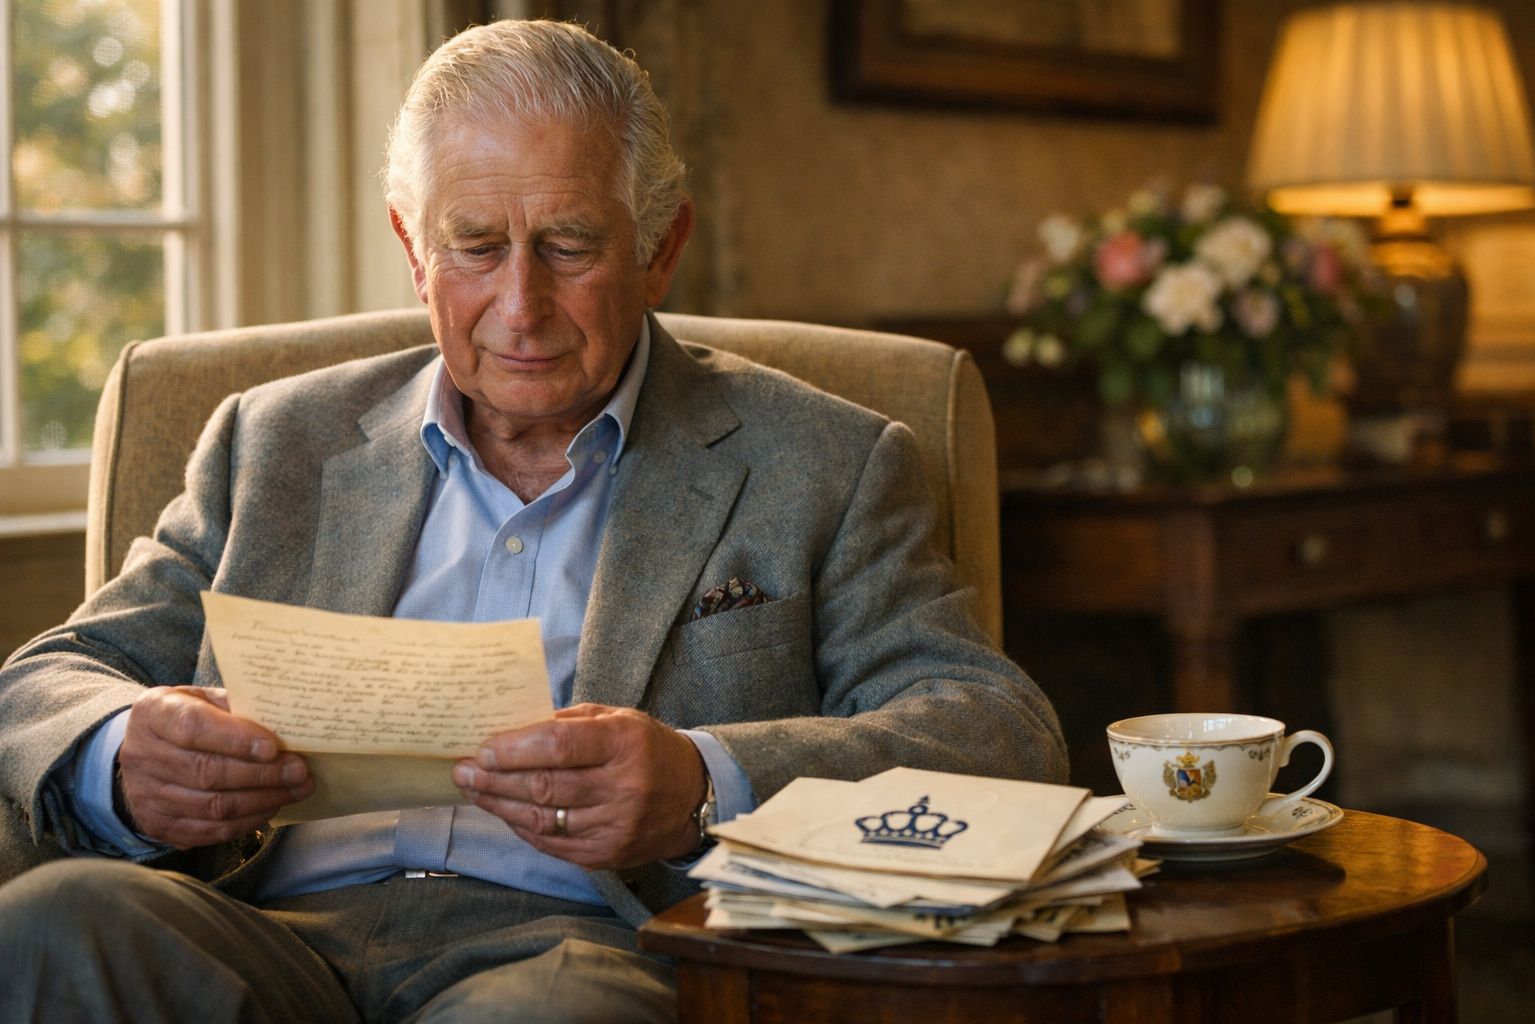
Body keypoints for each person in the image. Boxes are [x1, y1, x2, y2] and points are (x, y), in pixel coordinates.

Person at [0, 18, 1066, 1023]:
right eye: (473, 245)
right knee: (54, 927)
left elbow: (997, 733)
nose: (520, 307)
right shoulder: (273, 442)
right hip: (258, 933)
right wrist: (119, 753)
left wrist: (704, 782)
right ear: (413, 249)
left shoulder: (827, 460)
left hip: (577, 945)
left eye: (566, 244)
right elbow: (47, 679)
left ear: (661, 248)